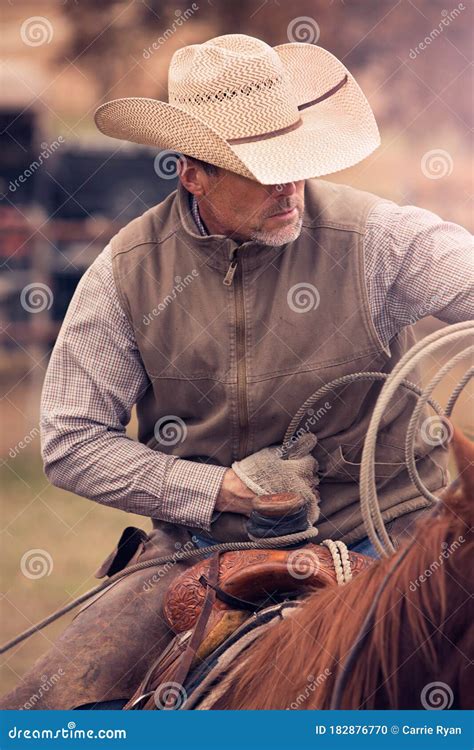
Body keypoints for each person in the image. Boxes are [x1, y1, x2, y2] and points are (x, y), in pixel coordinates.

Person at [32, 32, 473, 708]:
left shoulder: (378, 241)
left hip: (388, 535)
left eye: (294, 158)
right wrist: (219, 491)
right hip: (202, 551)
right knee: (42, 708)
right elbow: (70, 439)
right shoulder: (128, 272)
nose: (289, 183)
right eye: (260, 167)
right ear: (192, 173)